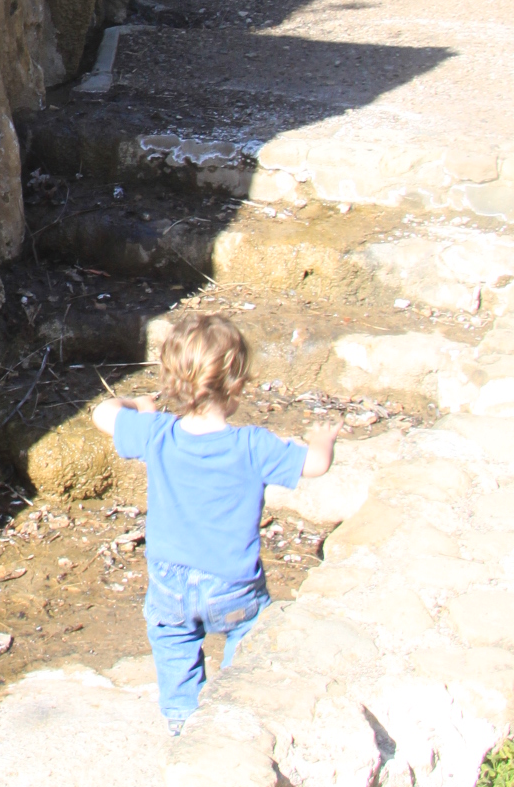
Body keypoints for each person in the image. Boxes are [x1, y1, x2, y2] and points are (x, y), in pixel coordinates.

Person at [92, 311, 337, 732]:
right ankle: (237, 710)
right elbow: (316, 465)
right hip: (233, 584)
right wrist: (323, 440)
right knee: (250, 638)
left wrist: (140, 406)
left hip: (169, 582)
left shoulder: (156, 433)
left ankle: (182, 723)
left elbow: (102, 412)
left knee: (174, 647)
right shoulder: (253, 445)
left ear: (172, 380)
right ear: (237, 384)